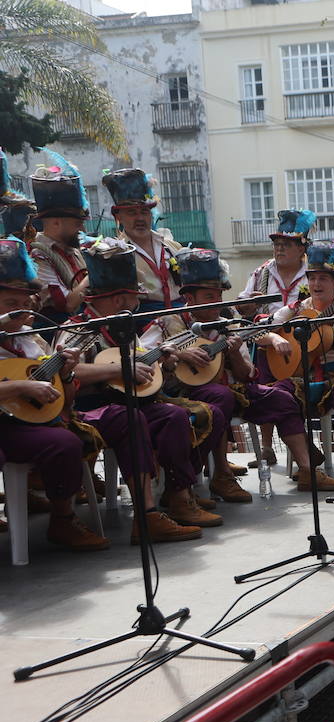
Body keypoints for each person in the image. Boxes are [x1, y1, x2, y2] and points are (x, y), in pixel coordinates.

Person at [56, 238, 209, 541]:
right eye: (131, 297)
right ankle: (146, 515)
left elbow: (141, 374)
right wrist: (118, 370)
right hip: (88, 410)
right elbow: (69, 371)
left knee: (173, 417)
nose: (134, 304)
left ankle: (178, 498)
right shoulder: (75, 329)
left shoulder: (125, 331)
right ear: (118, 300)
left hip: (128, 405)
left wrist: (162, 364)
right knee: (130, 419)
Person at [162, 248, 329, 491]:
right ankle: (221, 474)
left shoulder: (227, 325)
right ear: (190, 298)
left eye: (219, 296)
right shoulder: (168, 321)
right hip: (186, 395)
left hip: (233, 390)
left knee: (281, 398)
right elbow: (145, 355)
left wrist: (233, 354)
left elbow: (246, 374)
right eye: (209, 297)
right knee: (221, 397)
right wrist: (179, 353)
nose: (217, 304)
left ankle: (307, 471)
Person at [0, 237, 108, 551]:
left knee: (66, 440)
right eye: (10, 304)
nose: (21, 310)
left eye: (25, 303)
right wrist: (21, 386)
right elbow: (25, 386)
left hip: (28, 423)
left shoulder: (33, 340)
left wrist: (65, 373)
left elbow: (64, 399)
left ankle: (62, 521)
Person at [267, 241, 334, 487]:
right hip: (307, 378)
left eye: (323, 279)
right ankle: (307, 458)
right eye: (312, 278)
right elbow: (260, 330)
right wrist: (273, 337)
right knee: (277, 395)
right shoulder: (297, 309)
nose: (315, 284)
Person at [238, 209, 314, 464]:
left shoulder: (312, 273)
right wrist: (247, 305)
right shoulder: (262, 272)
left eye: (286, 245)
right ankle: (267, 447)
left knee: (297, 391)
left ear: (302, 248)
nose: (279, 249)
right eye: (277, 244)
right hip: (266, 339)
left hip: (301, 342)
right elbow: (242, 303)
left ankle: (301, 445)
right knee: (266, 388)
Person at [104, 168, 182, 314]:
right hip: (143, 327)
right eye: (132, 213)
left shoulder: (172, 246)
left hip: (181, 325)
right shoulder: (114, 254)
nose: (140, 218)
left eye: (144, 212)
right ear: (118, 217)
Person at [27, 154, 90, 330]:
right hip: (57, 334)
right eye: (77, 224)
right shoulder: (38, 255)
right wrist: (95, 273)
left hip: (82, 329)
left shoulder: (74, 250)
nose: (82, 230)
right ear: (56, 222)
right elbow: (68, 304)